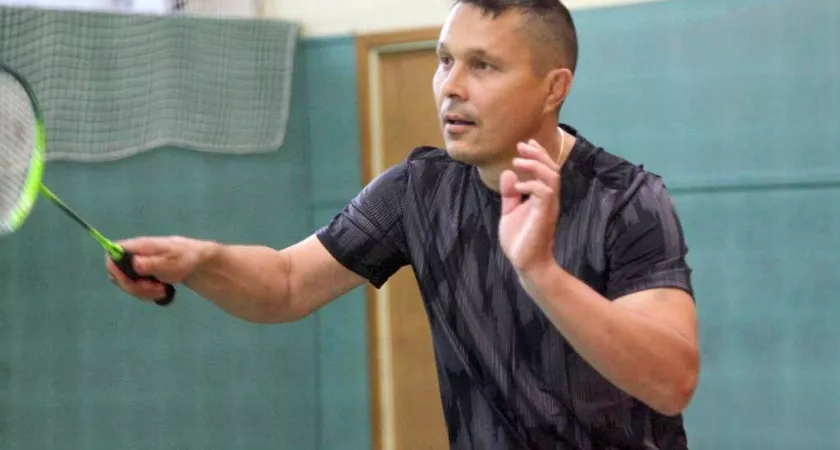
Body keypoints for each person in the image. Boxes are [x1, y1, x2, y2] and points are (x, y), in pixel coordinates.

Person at [107, 0, 700, 448]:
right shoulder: (418, 189)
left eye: (483, 65)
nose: (451, 87)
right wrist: (202, 261)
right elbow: (287, 282)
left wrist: (541, 273)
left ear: (554, 89)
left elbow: (671, 382)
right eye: (445, 61)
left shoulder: (627, 199)